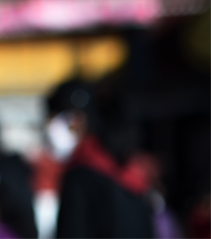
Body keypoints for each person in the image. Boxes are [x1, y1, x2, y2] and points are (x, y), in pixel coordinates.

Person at [44, 79, 154, 238]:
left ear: (79, 119)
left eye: (57, 119)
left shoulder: (79, 180)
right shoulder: (131, 177)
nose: (50, 129)